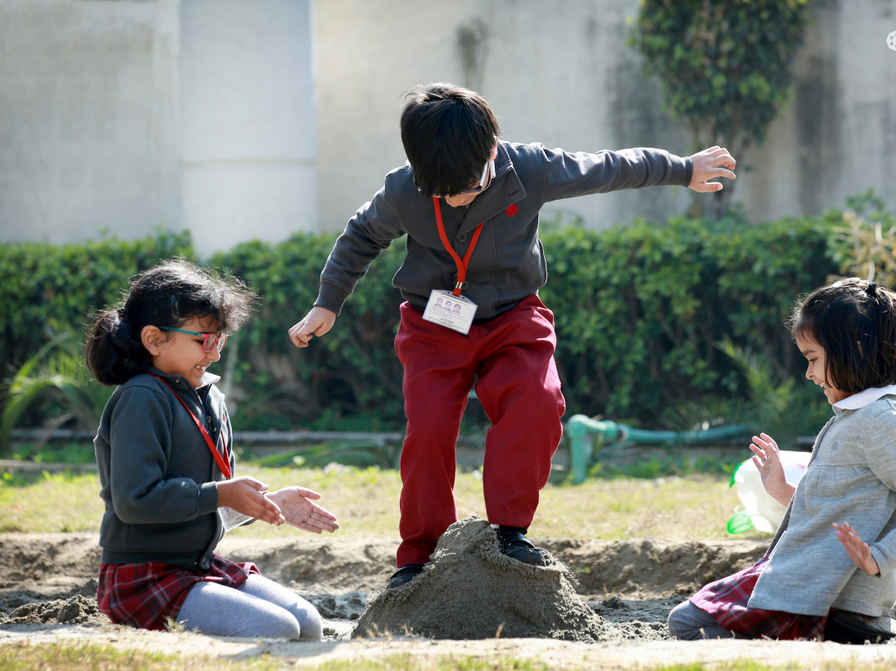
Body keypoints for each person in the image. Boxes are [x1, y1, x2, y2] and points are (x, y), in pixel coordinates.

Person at [287, 83, 737, 590]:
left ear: (492, 151)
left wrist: (683, 168)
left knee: (538, 402)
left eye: (469, 185)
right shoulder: (403, 190)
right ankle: (419, 554)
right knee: (429, 431)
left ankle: (509, 533)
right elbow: (361, 236)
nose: (458, 197)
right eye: (444, 191)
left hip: (512, 317)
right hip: (434, 325)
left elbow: (610, 167)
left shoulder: (532, 168)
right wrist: (327, 302)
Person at [668, 278, 896, 642]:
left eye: (813, 359)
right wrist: (783, 490)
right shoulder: (855, 416)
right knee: (691, 619)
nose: (809, 374)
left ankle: (843, 634)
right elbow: (834, 511)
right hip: (809, 579)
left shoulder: (882, 421)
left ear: (857, 350)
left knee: (685, 622)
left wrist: (878, 558)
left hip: (828, 594)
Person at [86, 260, 340, 640]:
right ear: (154, 339)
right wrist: (223, 492)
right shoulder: (141, 397)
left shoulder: (211, 398)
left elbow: (207, 503)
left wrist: (269, 503)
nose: (215, 354)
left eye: (220, 339)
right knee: (279, 628)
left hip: (197, 567)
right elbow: (134, 501)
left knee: (307, 622)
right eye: (203, 340)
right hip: (142, 577)